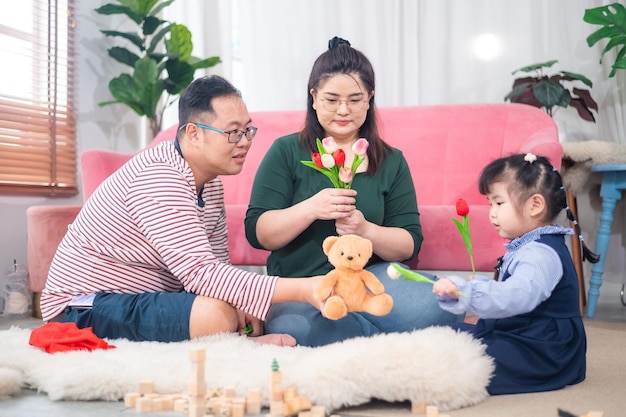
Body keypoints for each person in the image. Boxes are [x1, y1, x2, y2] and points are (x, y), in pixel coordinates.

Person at [40, 75, 322, 346]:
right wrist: (306, 289)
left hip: (140, 298)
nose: (245, 141)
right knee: (216, 316)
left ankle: (235, 341)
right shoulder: (159, 176)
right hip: (80, 307)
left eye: (247, 130)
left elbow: (217, 265)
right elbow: (202, 274)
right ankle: (239, 344)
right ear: (194, 133)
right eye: (233, 132)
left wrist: (243, 301)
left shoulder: (210, 185)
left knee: (234, 308)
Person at [244, 36, 458, 347]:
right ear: (313, 97)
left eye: (355, 99)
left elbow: (409, 243)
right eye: (331, 100)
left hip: (370, 282)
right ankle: (380, 340)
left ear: (370, 98)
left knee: (440, 303)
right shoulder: (287, 151)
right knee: (301, 330)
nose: (343, 110)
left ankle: (357, 336)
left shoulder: (390, 160)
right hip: (303, 287)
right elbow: (258, 233)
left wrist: (366, 229)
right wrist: (310, 208)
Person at [432, 153, 599, 395]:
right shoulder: (529, 244)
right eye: (491, 204)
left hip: (544, 349)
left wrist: (472, 292)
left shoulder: (539, 254)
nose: (491, 212)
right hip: (526, 332)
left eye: (499, 203)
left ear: (535, 205)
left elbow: (518, 295)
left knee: (465, 362)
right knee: (448, 336)